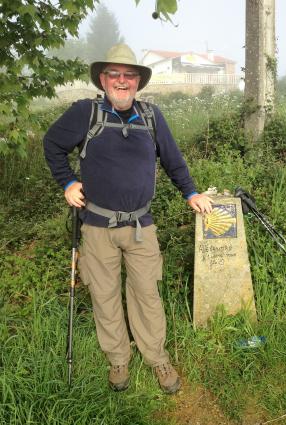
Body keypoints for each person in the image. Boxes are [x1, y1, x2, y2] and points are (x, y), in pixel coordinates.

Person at [43, 44, 212, 394]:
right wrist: (68, 182)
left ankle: (157, 358)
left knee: (147, 293)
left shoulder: (151, 117)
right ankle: (118, 359)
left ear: (138, 81)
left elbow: (173, 161)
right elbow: (52, 144)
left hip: (140, 227)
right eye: (115, 75)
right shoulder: (84, 113)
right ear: (103, 79)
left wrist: (191, 192)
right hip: (96, 226)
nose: (122, 81)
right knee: (104, 295)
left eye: (129, 75)